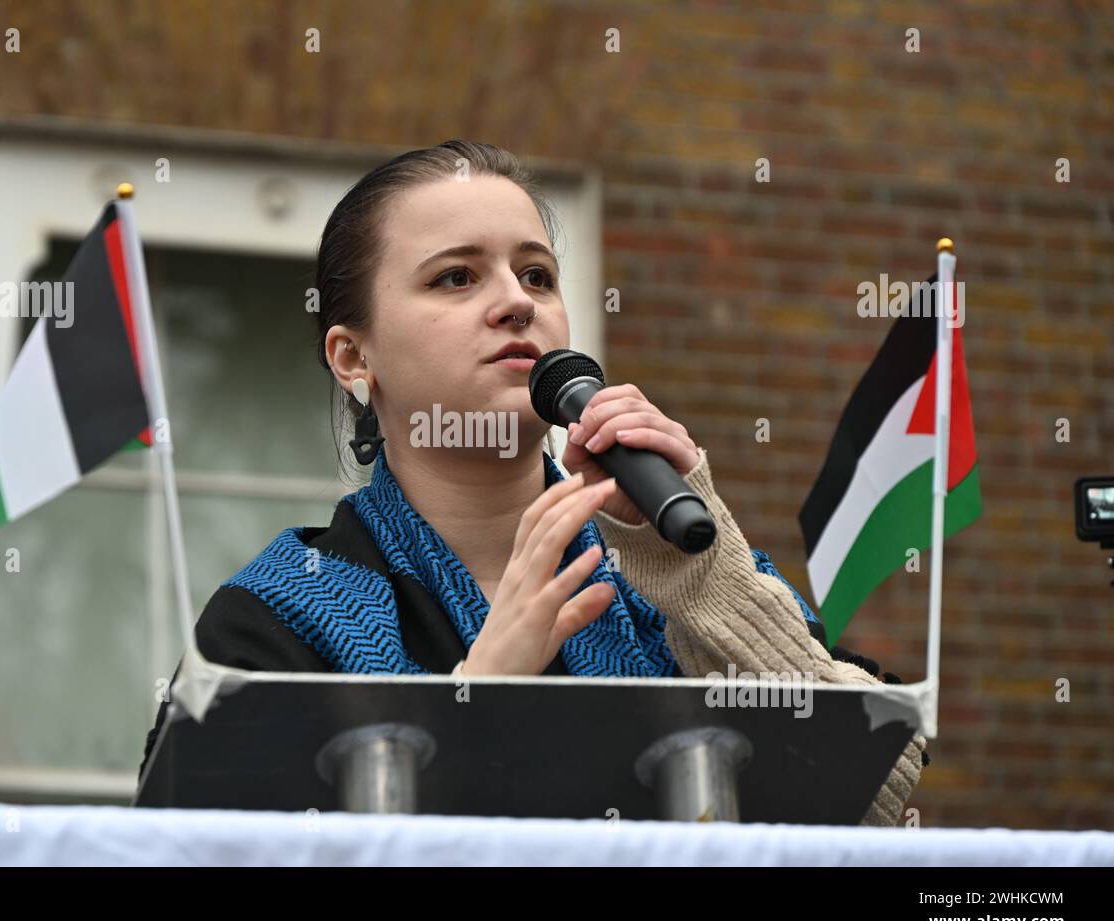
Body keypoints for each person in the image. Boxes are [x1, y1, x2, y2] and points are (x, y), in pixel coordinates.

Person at [140, 140, 926, 825]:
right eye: (455, 278)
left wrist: (701, 582)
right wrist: (475, 702)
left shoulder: (670, 554)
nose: (516, 301)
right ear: (353, 358)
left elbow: (879, 802)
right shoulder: (274, 622)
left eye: (538, 275)